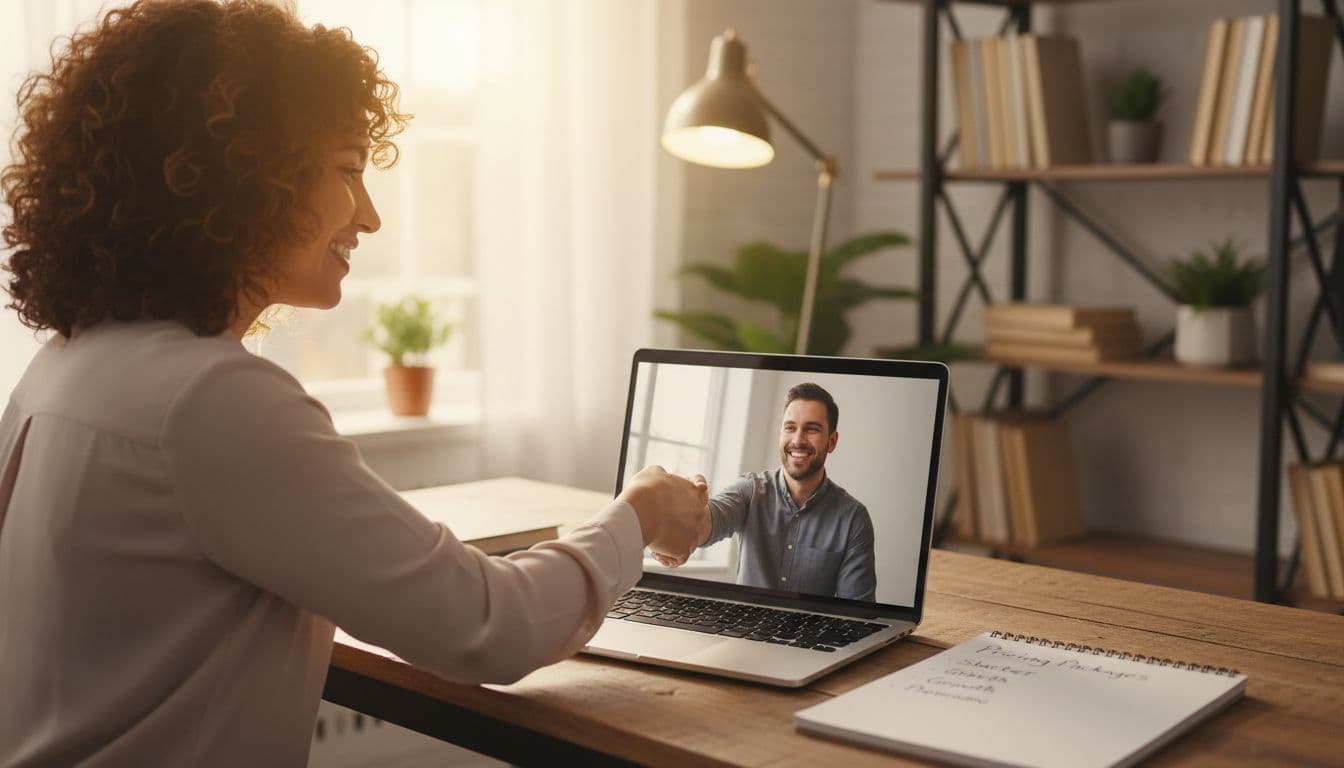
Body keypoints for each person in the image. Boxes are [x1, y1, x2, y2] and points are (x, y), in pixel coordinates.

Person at [0, 2, 709, 765]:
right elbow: (489, 626)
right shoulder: (212, 400)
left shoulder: (65, 366)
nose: (368, 216)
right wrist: (638, 513)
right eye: (346, 169)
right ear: (243, 177)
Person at [669, 382, 877, 601]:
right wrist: (682, 525)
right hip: (746, 623)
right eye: (790, 428)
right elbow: (706, 522)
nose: (798, 440)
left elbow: (856, 611)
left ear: (831, 442)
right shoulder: (750, 491)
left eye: (812, 429)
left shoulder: (853, 519)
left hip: (811, 625)